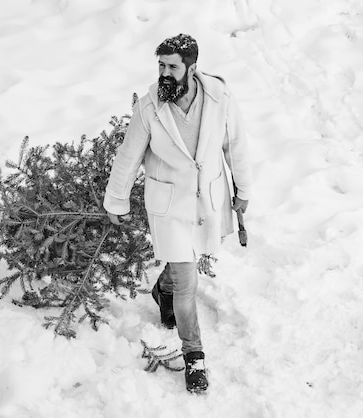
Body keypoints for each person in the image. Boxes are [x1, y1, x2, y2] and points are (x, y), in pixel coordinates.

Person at [103, 33, 252, 393]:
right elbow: (128, 156)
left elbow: (236, 145)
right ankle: (194, 356)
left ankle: (161, 290)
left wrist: (243, 190)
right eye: (161, 66)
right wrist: (116, 200)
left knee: (186, 259)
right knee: (187, 281)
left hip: (206, 200)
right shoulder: (150, 106)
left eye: (172, 66)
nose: (165, 74)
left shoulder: (220, 98)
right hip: (169, 205)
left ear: (192, 68)